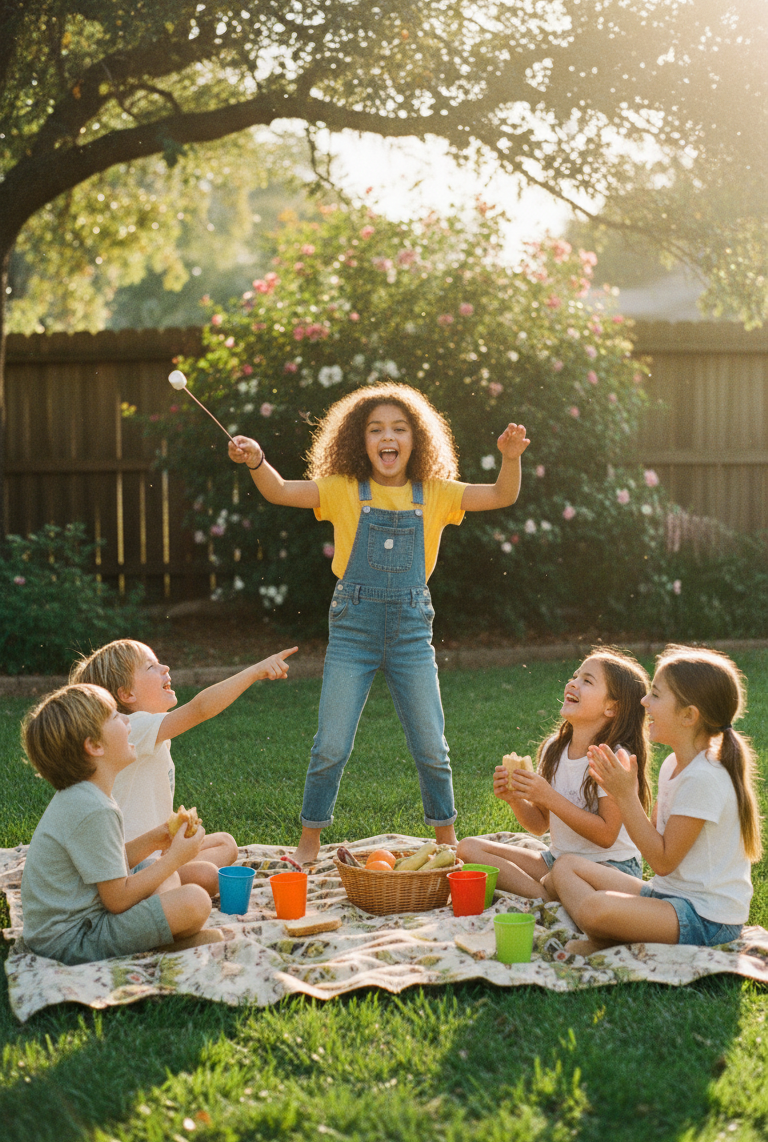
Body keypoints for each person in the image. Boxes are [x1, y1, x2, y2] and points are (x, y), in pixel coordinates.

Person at [228, 382, 530, 863]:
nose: (387, 437)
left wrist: (510, 457)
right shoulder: (344, 490)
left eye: (398, 428)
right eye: (375, 429)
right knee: (330, 743)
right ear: (359, 440)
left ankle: (446, 843)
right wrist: (257, 461)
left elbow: (500, 495)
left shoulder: (435, 493)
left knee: (432, 744)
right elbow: (281, 491)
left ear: (417, 439)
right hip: (354, 630)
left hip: (412, 632)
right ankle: (309, 843)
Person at [551, 645, 761, 953]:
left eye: (657, 696)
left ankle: (602, 934)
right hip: (666, 896)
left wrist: (624, 795)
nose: (644, 701)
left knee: (595, 908)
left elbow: (661, 861)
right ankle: (607, 930)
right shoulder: (673, 765)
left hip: (705, 918)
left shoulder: (705, 777)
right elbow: (656, 842)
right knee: (566, 866)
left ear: (689, 716)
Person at [70, 640, 296, 892]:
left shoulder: (148, 733)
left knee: (226, 844)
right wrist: (255, 671)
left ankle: (169, 876)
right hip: (127, 864)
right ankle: (162, 884)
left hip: (154, 854)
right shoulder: (132, 728)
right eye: (151, 667)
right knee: (209, 876)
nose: (165, 668)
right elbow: (200, 709)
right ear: (127, 694)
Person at [20, 683, 221, 965]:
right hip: (73, 940)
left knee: (158, 872)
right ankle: (163, 947)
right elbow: (117, 898)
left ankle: (167, 938)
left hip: (81, 918)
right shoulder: (94, 808)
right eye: (115, 716)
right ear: (94, 746)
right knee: (194, 901)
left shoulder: (86, 795)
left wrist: (158, 837)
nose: (127, 720)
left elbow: (110, 865)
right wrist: (176, 857)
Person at [457, 648, 651, 900]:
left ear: (612, 707)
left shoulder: (613, 759)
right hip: (557, 860)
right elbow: (539, 825)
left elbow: (606, 836)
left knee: (562, 870)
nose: (573, 683)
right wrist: (515, 799)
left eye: (587, 681)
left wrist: (549, 797)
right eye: (575, 676)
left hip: (611, 868)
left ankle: (551, 891)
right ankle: (548, 895)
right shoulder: (553, 749)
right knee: (467, 848)